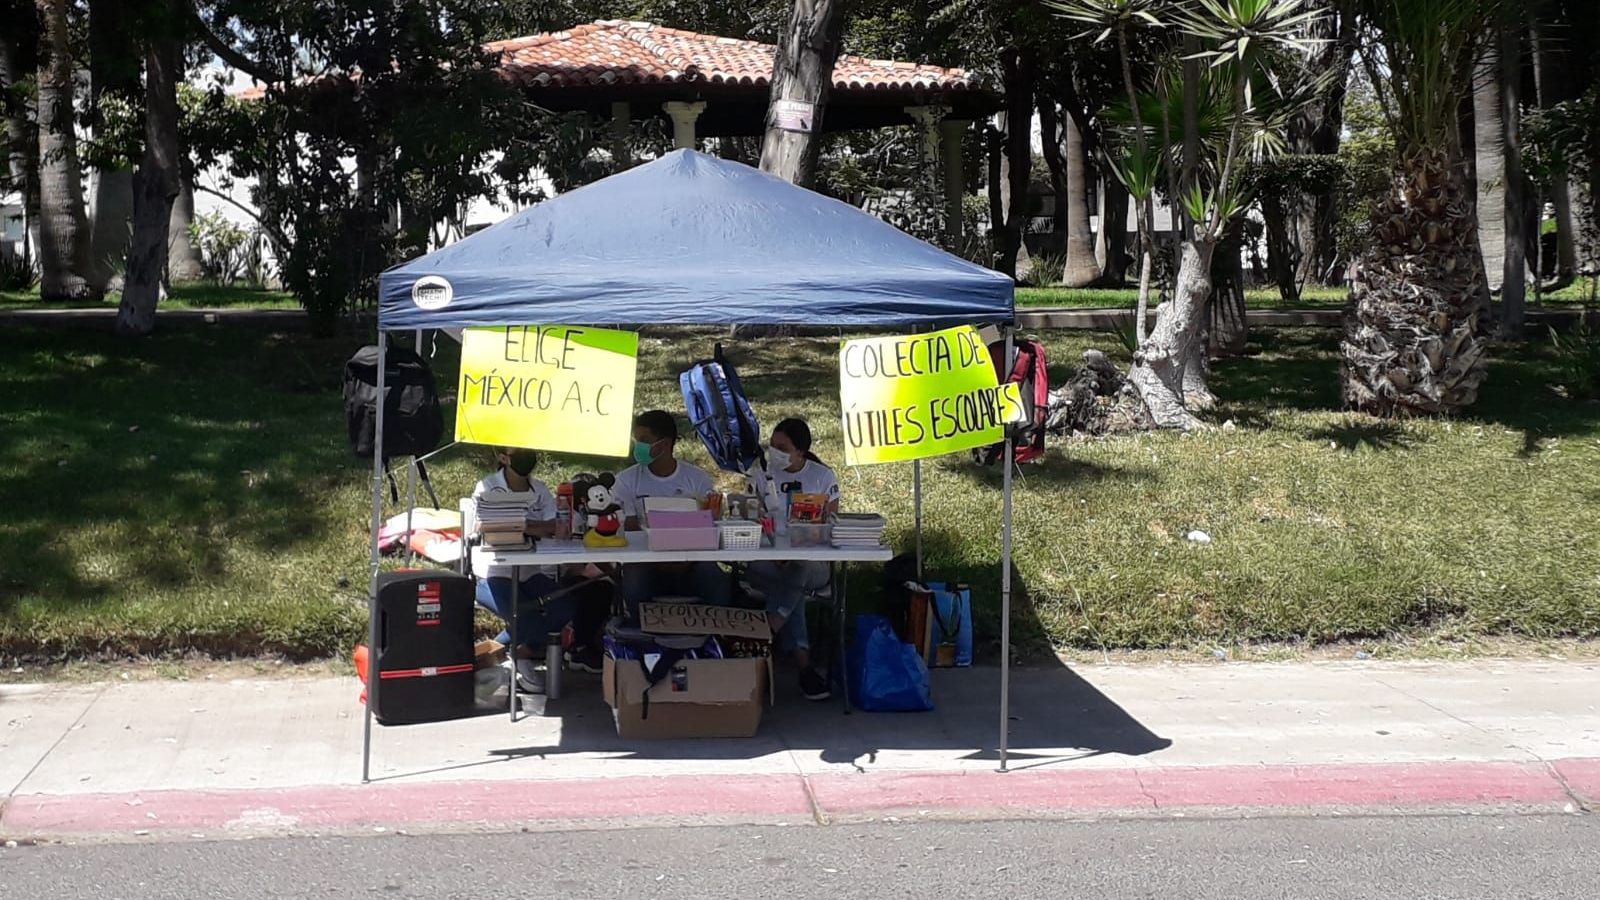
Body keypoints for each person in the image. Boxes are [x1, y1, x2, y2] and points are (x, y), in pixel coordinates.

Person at [471, 448, 609, 691]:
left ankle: (519, 649)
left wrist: (516, 525)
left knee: (565, 607)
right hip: (492, 574)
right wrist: (530, 527)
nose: (527, 456)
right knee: (523, 615)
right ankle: (520, 655)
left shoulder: (541, 489)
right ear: (503, 457)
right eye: (518, 452)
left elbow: (555, 526)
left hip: (530, 572)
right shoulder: (487, 487)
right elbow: (485, 526)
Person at [746, 417, 839, 701]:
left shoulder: (822, 477)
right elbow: (748, 517)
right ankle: (804, 667)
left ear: (801, 451)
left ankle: (769, 631)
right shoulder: (760, 474)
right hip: (766, 561)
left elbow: (831, 522)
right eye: (772, 445)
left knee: (797, 568)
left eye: (782, 447)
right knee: (791, 588)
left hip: (811, 563)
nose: (773, 452)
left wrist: (798, 548)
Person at [614, 410, 730, 615]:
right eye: (636, 440)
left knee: (716, 582)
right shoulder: (626, 480)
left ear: (665, 444)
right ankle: (637, 634)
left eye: (644, 440)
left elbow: (709, 525)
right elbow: (630, 528)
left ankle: (715, 635)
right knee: (633, 581)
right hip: (645, 560)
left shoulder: (697, 479)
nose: (638, 446)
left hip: (692, 560)